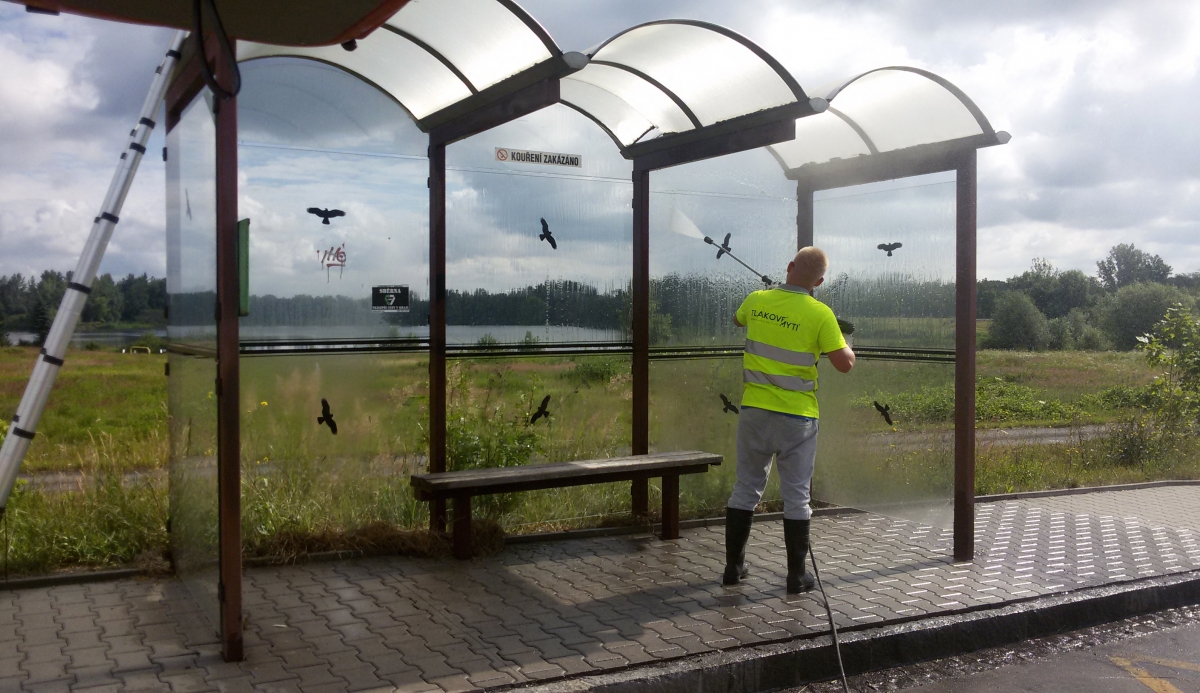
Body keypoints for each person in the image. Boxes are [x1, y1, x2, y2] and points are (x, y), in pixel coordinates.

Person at [723, 246, 855, 593]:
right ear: (820, 281)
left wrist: (770, 304)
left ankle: (733, 568)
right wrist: (842, 337)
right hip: (798, 419)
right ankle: (797, 576)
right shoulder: (821, 314)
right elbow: (845, 364)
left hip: (754, 412)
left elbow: (738, 319)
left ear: (789, 266)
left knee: (745, 488)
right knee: (797, 496)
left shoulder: (756, 300)